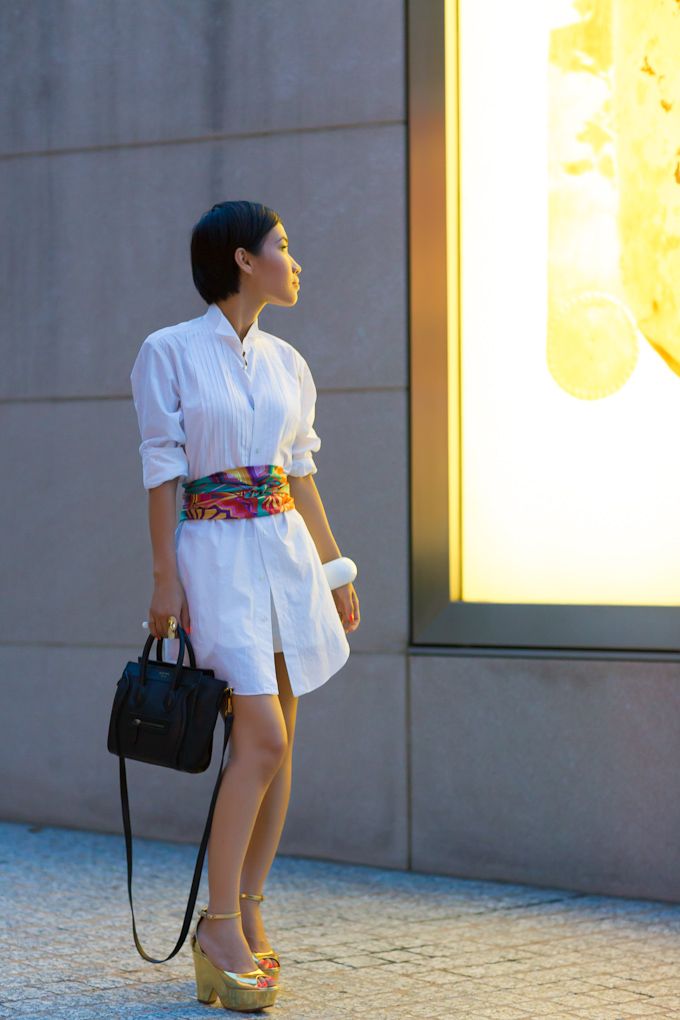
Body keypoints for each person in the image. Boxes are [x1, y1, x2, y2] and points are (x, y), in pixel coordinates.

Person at [129, 200, 360, 1011]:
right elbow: (163, 471)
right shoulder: (169, 353)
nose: (295, 263)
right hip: (213, 559)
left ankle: (250, 907)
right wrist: (165, 577)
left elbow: (300, 475)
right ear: (240, 259)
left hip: (286, 556)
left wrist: (335, 573)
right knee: (258, 736)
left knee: (282, 737)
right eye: (283, 248)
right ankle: (217, 925)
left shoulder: (288, 363)